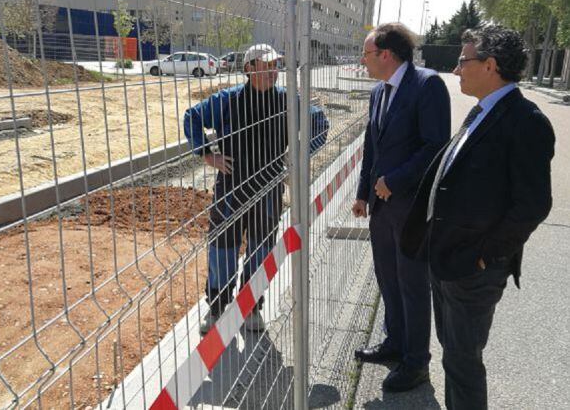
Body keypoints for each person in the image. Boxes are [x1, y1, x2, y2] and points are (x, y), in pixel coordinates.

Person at [401, 25, 555, 409]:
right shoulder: (483, 111)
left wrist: (485, 256)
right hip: (449, 259)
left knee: (464, 363)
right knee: (455, 357)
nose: (455, 70)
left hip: (472, 268)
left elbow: (533, 206)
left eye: (462, 60)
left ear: (490, 65)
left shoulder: (526, 121)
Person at [183, 43, 329, 335]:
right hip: (231, 186)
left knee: (261, 246)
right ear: (248, 68)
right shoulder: (227, 100)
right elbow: (193, 117)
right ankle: (217, 308)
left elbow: (319, 123)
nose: (272, 72)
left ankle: (251, 308)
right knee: (223, 245)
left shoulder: (288, 101)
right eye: (265, 65)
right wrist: (206, 154)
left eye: (275, 66)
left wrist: (296, 158)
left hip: (270, 186)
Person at [351, 22, 451, 392]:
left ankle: (416, 363)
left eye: (366, 54)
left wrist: (395, 181)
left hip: (410, 207)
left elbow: (435, 146)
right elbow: (373, 150)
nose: (363, 60)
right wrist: (364, 193)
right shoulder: (379, 92)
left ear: (386, 55)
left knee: (411, 283)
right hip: (381, 207)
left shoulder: (427, 86)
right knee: (387, 277)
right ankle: (394, 343)